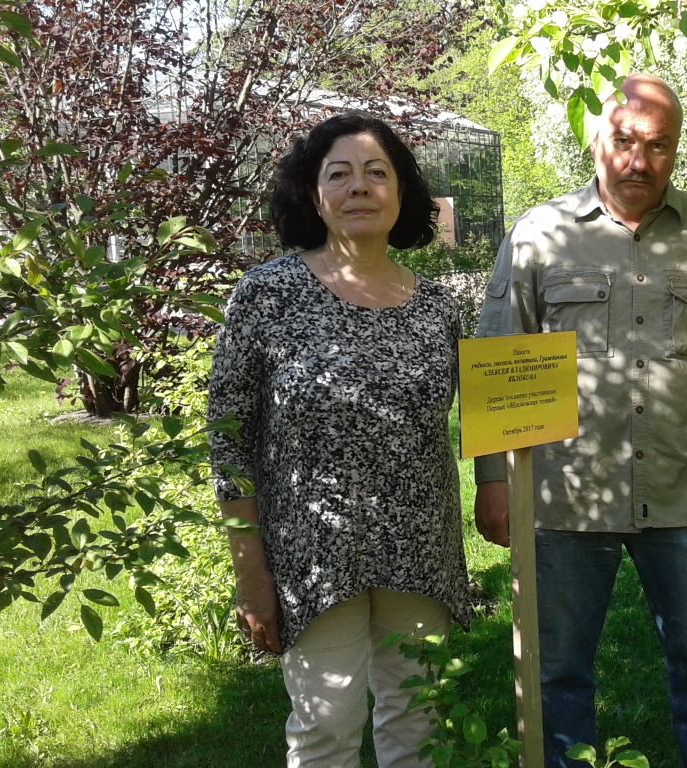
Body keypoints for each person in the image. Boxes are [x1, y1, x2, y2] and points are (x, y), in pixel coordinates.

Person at [471, 74, 687, 768]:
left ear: (676, 149)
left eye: (658, 146)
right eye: (624, 141)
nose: (638, 161)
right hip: (566, 496)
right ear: (596, 140)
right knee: (558, 671)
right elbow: (499, 354)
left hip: (684, 494)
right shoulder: (540, 234)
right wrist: (494, 482)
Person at [207, 112, 471, 768]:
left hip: (421, 549)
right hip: (314, 556)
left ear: (402, 192)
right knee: (325, 730)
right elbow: (229, 442)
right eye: (340, 174)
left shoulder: (439, 308)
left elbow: (488, 414)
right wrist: (250, 574)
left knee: (420, 721)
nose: (359, 187)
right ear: (313, 192)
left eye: (377, 172)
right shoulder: (266, 296)